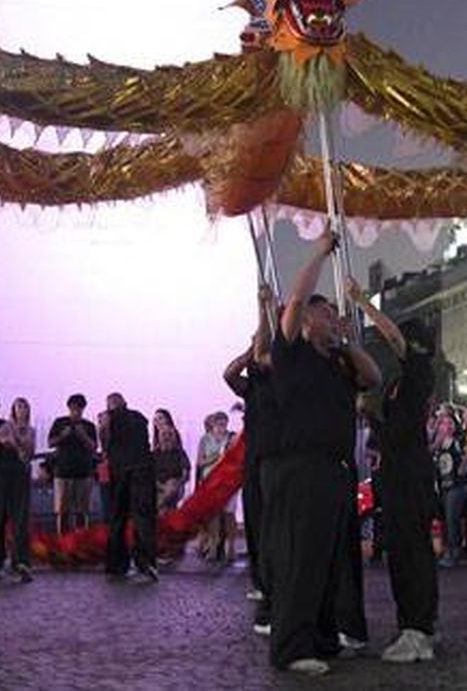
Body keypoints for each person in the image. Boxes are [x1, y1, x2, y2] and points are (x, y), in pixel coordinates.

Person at [264, 232, 380, 675]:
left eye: (333, 314)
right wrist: (318, 252)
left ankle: (322, 636)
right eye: (324, 312)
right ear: (306, 321)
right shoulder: (291, 353)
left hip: (336, 469)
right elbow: (293, 301)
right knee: (302, 558)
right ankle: (291, 647)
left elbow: (370, 377)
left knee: (331, 558)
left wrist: (347, 342)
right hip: (302, 467)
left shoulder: (337, 362)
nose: (330, 318)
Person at [352, 280, 438, 663]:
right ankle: (416, 623)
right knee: (402, 551)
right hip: (396, 474)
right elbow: (393, 427)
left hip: (411, 474)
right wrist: (369, 412)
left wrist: (362, 304)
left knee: (413, 551)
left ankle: (418, 628)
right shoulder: (401, 384)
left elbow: (393, 338)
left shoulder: (419, 372)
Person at [225, 285, 282, 631]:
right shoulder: (252, 384)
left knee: (274, 524)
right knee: (258, 522)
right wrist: (251, 348)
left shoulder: (283, 377)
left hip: (276, 457)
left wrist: (266, 313)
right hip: (255, 460)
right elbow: (230, 373)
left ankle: (272, 583)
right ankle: (261, 581)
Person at [103, 392, 157, 582]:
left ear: (110, 405)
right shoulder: (140, 418)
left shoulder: (108, 418)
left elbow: (106, 443)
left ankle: (117, 564)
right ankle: (146, 561)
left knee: (118, 518)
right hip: (142, 470)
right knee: (142, 517)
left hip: (120, 472)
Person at [0, 396, 35, 583]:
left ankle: (21, 562)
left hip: (19, 474)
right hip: (0, 474)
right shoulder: (3, 427)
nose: (21, 410)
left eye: (24, 407)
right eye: (18, 407)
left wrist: (15, 441)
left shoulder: (30, 430)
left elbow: (28, 451)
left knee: (20, 518)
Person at [48, 394, 97, 533]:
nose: (76, 411)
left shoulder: (89, 426)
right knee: (62, 511)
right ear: (68, 407)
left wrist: (83, 436)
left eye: (79, 408)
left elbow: (94, 447)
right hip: (62, 472)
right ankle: (63, 542)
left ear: (83, 409)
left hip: (83, 472)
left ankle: (81, 541)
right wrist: (63, 435)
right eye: (73, 408)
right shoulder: (60, 422)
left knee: (82, 511)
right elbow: (50, 442)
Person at [195, 410, 236, 563]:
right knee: (214, 514)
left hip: (228, 480)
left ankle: (230, 546)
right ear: (212, 425)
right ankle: (214, 543)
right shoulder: (205, 439)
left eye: (224, 424)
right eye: (218, 424)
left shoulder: (231, 438)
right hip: (211, 480)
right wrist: (217, 456)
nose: (221, 427)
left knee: (229, 513)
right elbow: (200, 462)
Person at [430, 411, 467, 567]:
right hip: (442, 486)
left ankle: (454, 551)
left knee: (452, 518)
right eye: (442, 423)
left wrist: (463, 466)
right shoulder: (437, 445)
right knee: (445, 520)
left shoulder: (458, 442)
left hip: (456, 485)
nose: (446, 426)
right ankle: (447, 550)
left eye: (449, 423)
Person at [153, 423, 190, 516]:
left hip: (175, 486)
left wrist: (175, 483)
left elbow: (186, 473)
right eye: (164, 434)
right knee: (163, 509)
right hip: (157, 486)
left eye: (170, 434)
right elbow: (148, 474)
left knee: (171, 485)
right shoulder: (153, 454)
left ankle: (156, 507)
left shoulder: (180, 453)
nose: (167, 437)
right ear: (159, 437)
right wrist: (161, 486)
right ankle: (160, 508)